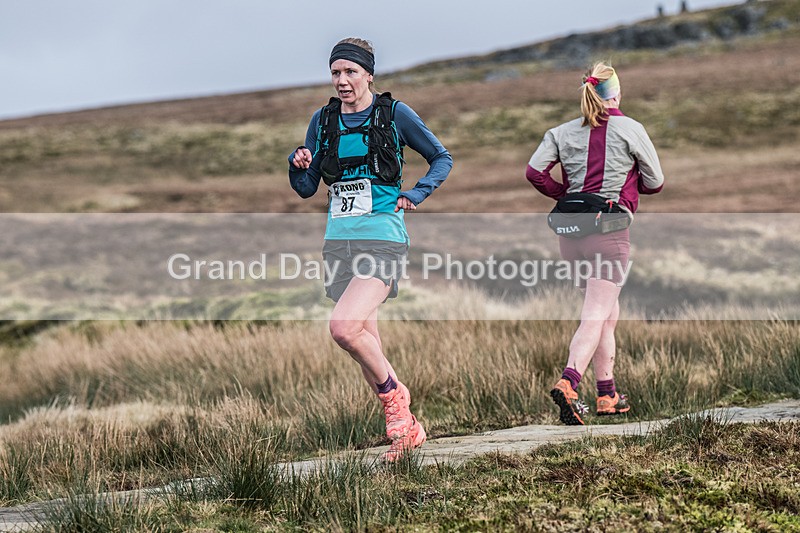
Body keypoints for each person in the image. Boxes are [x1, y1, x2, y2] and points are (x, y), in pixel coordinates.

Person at [289, 38, 453, 459]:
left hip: (382, 236)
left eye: (350, 72)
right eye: (335, 73)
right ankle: (407, 433)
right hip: (340, 241)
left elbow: (441, 158)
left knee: (343, 328)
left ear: (368, 75)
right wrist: (298, 165)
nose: (342, 81)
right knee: (367, 342)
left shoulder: (394, 114)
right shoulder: (323, 120)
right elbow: (308, 189)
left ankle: (396, 403)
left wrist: (416, 193)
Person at [526, 62, 664, 425]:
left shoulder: (560, 132)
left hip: (571, 237)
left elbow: (534, 173)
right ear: (616, 94)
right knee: (595, 314)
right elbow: (656, 181)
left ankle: (608, 394)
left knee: (605, 313)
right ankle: (570, 381)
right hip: (611, 230)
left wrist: (567, 193)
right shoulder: (631, 128)